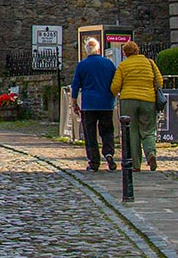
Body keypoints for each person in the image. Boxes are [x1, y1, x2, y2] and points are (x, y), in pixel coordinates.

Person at [109, 42, 164, 173]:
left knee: (131, 132)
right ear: (137, 50)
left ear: (125, 53)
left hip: (128, 100)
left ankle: (135, 164)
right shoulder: (149, 63)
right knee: (148, 130)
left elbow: (115, 87)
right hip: (148, 100)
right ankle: (151, 153)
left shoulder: (123, 65)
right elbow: (159, 81)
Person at [69, 38, 118, 173]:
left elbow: (75, 85)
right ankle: (108, 153)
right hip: (106, 103)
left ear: (86, 50)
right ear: (99, 48)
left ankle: (94, 162)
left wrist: (74, 103)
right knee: (107, 130)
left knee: (90, 134)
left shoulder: (82, 65)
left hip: (89, 103)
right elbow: (116, 80)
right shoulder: (108, 64)